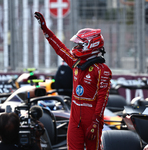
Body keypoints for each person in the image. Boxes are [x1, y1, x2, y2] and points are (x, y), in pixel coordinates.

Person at [34, 12, 112, 150]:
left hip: (92, 120)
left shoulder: (102, 70)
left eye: (79, 45)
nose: (75, 48)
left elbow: (102, 98)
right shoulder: (75, 62)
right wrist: (45, 30)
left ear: (90, 45)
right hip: (75, 118)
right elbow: (59, 48)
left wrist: (95, 123)